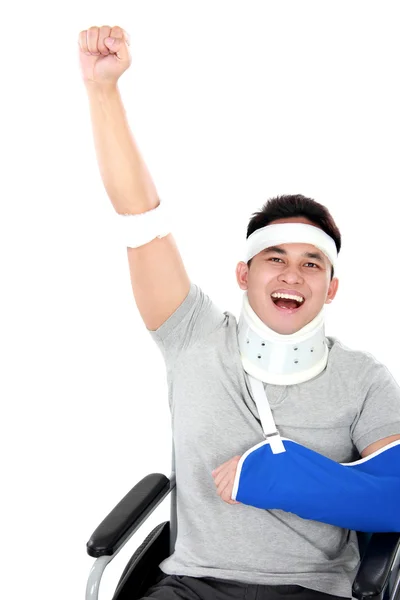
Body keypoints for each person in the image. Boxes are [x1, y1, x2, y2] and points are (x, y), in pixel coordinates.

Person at [78, 25, 400, 600]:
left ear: (331, 289)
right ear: (242, 274)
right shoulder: (191, 335)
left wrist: (284, 474)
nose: (291, 275)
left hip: (313, 591)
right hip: (190, 587)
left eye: (311, 264)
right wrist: (103, 91)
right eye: (273, 258)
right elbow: (139, 217)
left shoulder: (364, 378)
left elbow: (396, 493)